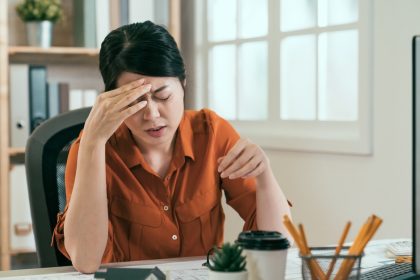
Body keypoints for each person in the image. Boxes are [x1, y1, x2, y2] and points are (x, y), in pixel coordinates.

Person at [52, 21, 292, 273]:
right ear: (111, 99)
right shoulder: (91, 149)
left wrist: (265, 176)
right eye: (135, 101)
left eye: (163, 96)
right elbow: (87, 262)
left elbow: (279, 244)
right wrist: (93, 142)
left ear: (183, 82)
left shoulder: (211, 134)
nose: (152, 114)